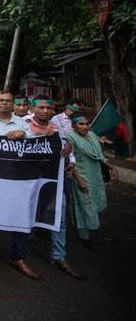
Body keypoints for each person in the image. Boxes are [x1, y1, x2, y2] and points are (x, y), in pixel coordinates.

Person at [0, 90, 37, 279]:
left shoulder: (22, 123)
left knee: (21, 215)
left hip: (17, 178)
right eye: (0, 100)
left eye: (8, 101)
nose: (4, 103)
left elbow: (36, 146)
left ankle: (18, 257)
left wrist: (23, 134)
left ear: (13, 104)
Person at [26, 95, 84, 279]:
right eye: (41, 107)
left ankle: (58, 256)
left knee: (59, 215)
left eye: (49, 108)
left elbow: (67, 146)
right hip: (29, 180)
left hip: (54, 180)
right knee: (27, 214)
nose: (45, 111)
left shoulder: (58, 127)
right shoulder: (22, 124)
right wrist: (40, 137)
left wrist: (71, 160)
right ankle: (22, 250)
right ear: (32, 108)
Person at [66, 114, 118, 251]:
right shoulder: (69, 138)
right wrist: (79, 180)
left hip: (95, 175)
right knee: (83, 205)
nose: (85, 126)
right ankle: (84, 237)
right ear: (73, 126)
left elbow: (99, 154)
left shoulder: (92, 135)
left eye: (87, 123)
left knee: (93, 203)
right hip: (81, 177)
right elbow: (70, 161)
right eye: (81, 124)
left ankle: (84, 231)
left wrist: (111, 166)